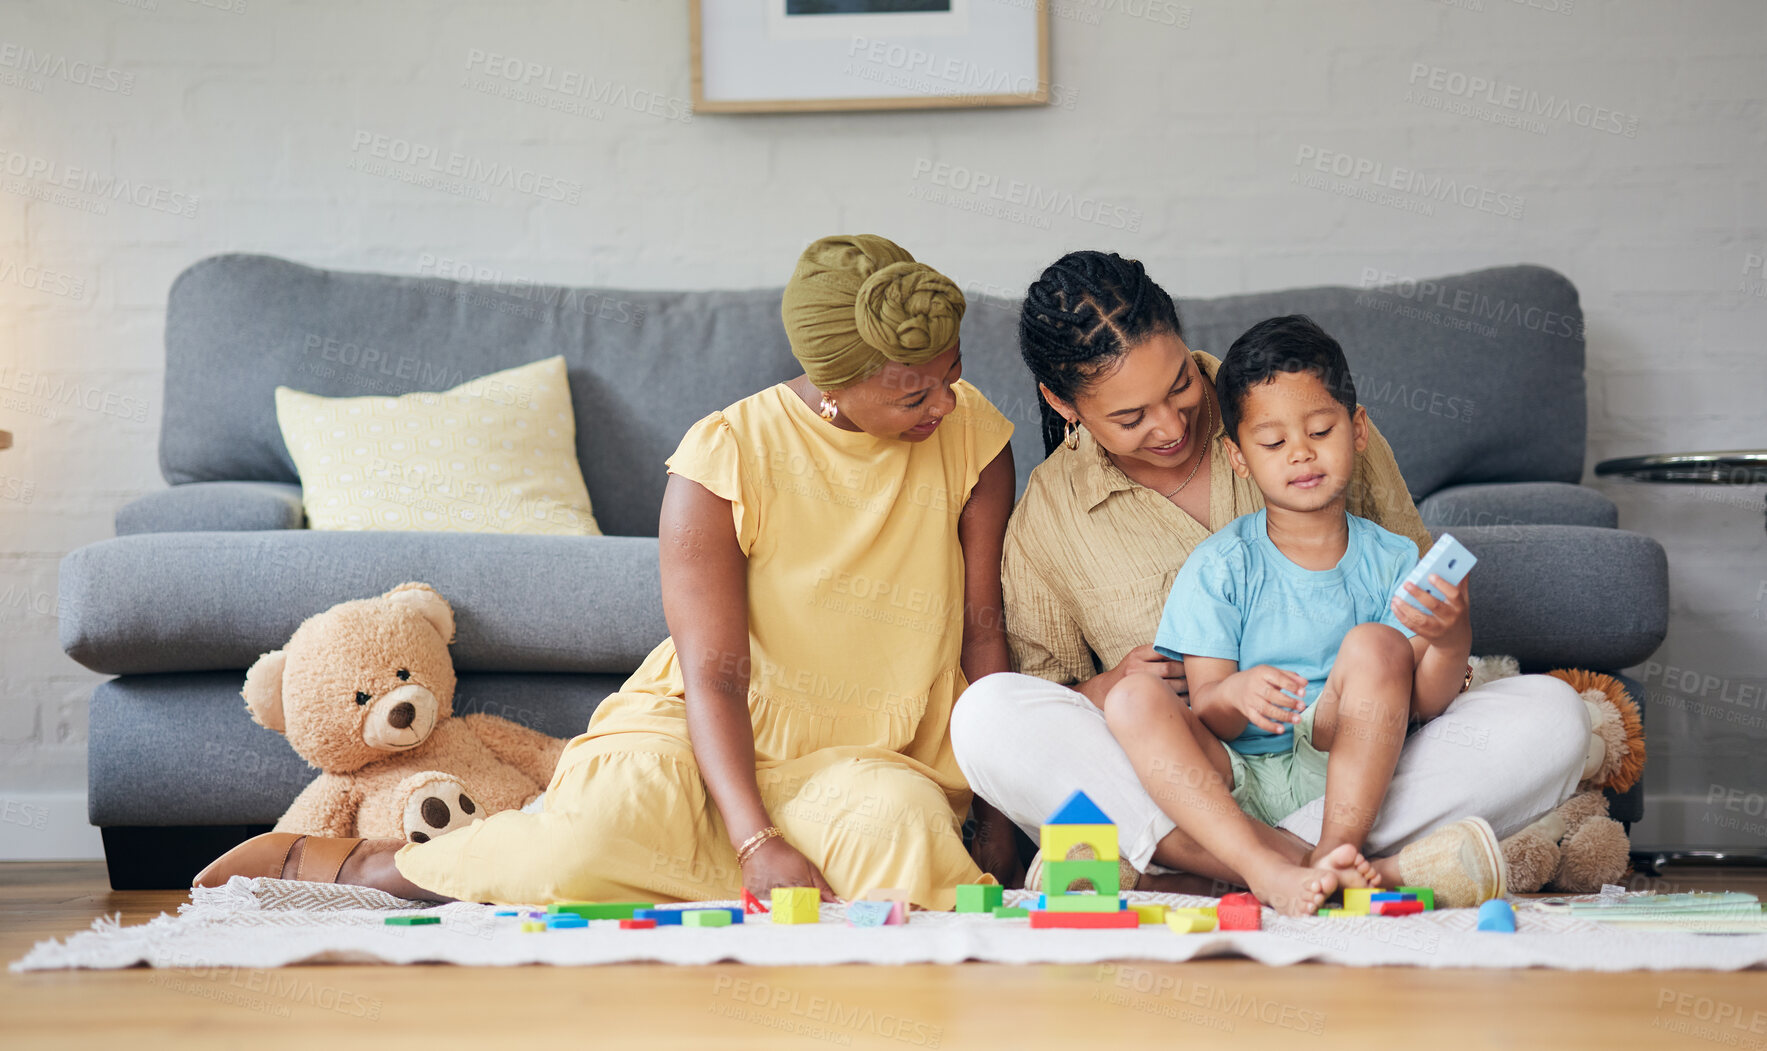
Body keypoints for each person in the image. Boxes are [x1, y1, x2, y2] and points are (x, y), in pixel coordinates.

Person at [195, 234, 1019, 910]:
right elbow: (712, 674)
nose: (942, 405)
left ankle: (701, 872)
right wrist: (757, 838)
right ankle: (371, 868)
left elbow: (982, 625)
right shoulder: (723, 457)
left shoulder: (973, 431)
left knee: (905, 837)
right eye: (913, 395)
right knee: (596, 839)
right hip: (706, 726)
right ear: (834, 389)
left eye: (948, 377)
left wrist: (997, 810)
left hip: (872, 745)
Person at [952, 250, 1585, 900]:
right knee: (984, 715)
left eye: (1177, 386)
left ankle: (1198, 872)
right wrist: (1109, 683)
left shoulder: (1293, 407)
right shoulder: (1050, 512)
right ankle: (1319, 867)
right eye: (1129, 416)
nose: (1169, 425)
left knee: (1554, 717)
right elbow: (1044, 693)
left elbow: (1418, 627)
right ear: (1062, 402)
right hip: (1194, 771)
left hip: (1357, 756)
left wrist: (1440, 636)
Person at [1101, 314, 1498, 915]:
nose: (1302, 455)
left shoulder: (1393, 558)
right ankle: (1262, 866)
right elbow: (1208, 710)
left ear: (1358, 429)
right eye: (1273, 443)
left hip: (1351, 762)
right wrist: (1238, 694)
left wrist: (1451, 635)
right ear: (1238, 458)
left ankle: (1335, 856)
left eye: (1320, 430)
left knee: (1532, 707)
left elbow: (1424, 703)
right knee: (1130, 699)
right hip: (1235, 776)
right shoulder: (1219, 566)